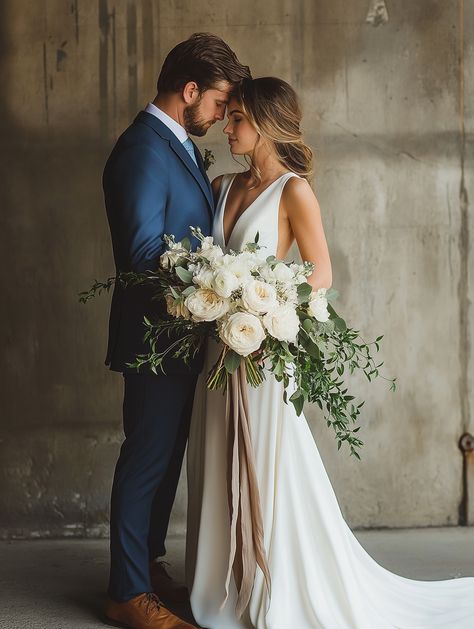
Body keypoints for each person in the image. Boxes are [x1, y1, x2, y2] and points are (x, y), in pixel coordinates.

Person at [185, 77, 474, 628]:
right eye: (228, 117)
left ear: (267, 124)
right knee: (215, 462)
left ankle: (273, 583)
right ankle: (219, 586)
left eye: (238, 118)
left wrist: (263, 308)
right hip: (217, 356)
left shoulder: (293, 192)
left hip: (264, 357)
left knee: (270, 472)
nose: (228, 126)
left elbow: (320, 273)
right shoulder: (221, 185)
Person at [102, 33, 250, 629]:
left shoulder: (178, 144)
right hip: (155, 338)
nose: (219, 117)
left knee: (165, 461)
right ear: (189, 91)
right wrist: (214, 285)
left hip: (184, 338)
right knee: (146, 458)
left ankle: (147, 565)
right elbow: (142, 254)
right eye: (217, 103)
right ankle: (126, 593)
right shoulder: (142, 148)